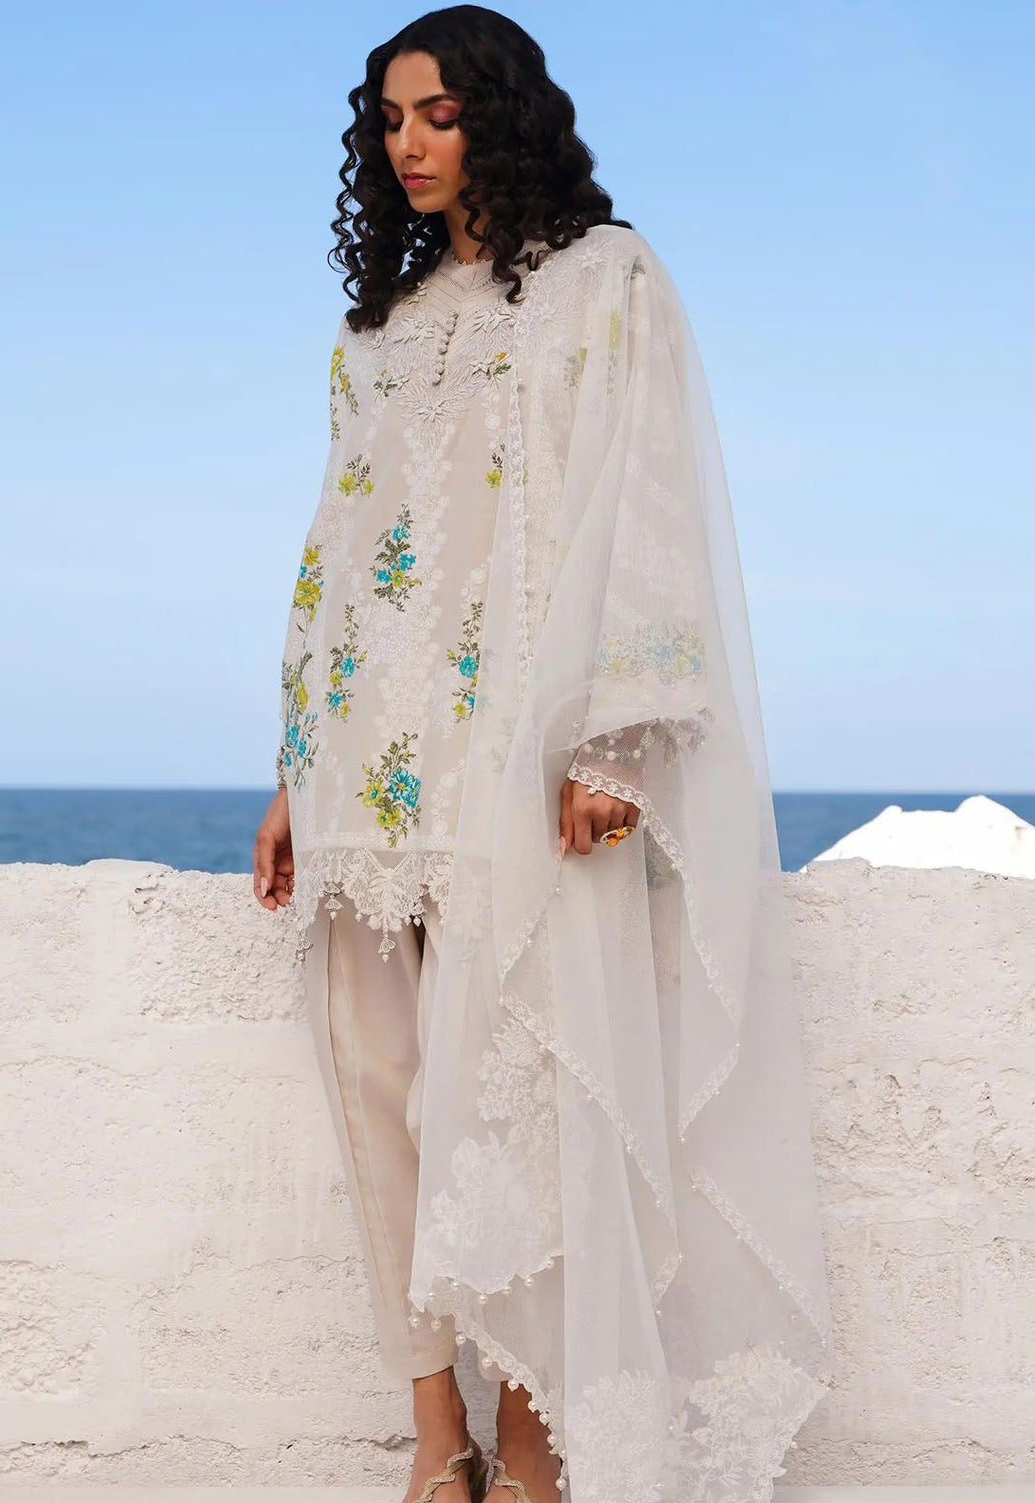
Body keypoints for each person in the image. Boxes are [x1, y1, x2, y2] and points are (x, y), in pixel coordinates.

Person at [254, 9, 837, 1503]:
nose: (410, 145)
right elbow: (336, 554)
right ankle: (434, 1436)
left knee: (514, 1090)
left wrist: (617, 738)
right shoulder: (375, 336)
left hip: (515, 763)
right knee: (375, 1086)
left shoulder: (604, 283)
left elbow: (647, 507)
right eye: (390, 122)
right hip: (364, 772)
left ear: (501, 115)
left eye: (439, 114)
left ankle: (529, 1442)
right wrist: (292, 767)